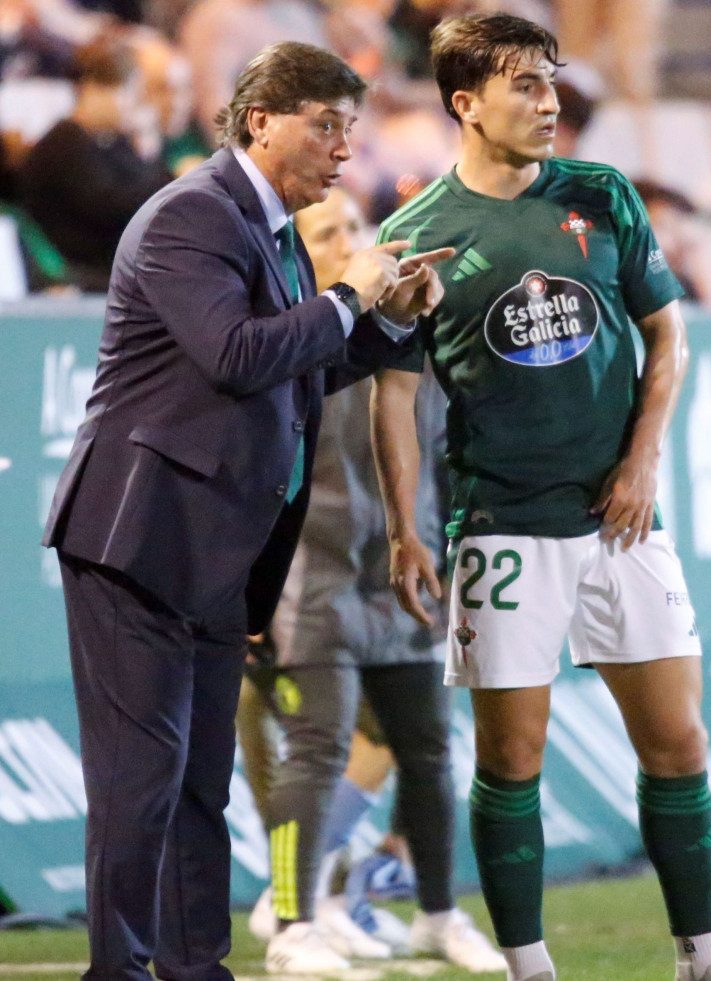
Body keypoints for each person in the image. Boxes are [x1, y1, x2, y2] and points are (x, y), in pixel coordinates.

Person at [42, 40, 452, 981]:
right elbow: (235, 355)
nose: (345, 151)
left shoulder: (264, 226)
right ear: (261, 121)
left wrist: (392, 318)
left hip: (219, 549)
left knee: (197, 781)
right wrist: (352, 290)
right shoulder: (195, 214)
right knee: (140, 779)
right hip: (138, 539)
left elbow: (299, 370)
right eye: (327, 126)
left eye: (351, 129)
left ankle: (195, 968)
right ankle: (119, 970)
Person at [371, 13, 711, 981]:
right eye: (524, 87)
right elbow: (397, 391)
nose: (547, 103)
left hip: (621, 520)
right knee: (513, 757)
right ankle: (529, 967)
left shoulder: (603, 195)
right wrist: (404, 530)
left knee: (678, 738)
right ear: (465, 103)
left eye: (550, 82)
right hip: (501, 527)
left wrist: (641, 463)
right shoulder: (413, 236)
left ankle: (704, 961)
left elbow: (668, 337)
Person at [254, 186, 506, 974]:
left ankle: (436, 912)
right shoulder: (288, 344)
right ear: (301, 256)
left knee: (428, 749)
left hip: (401, 573)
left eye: (355, 225)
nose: (352, 238)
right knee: (317, 746)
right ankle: (291, 918)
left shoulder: (409, 334)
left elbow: (442, 453)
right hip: (310, 577)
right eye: (329, 231)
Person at [19, 32, 172, 291]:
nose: (133, 105)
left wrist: (150, 153)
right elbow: (110, 208)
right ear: (94, 89)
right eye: (126, 92)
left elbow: (145, 185)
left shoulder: (109, 142)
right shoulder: (65, 143)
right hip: (79, 267)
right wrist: (170, 181)